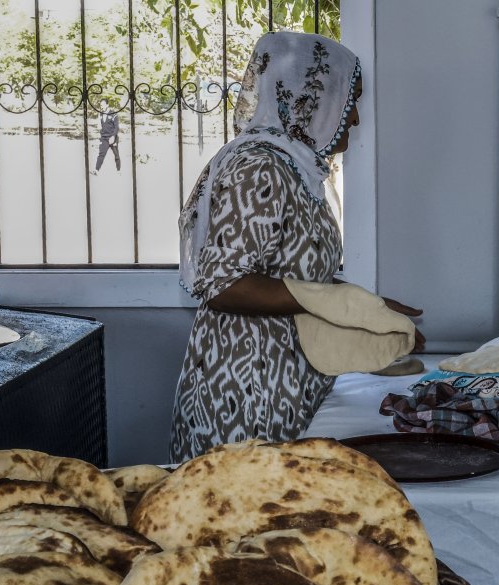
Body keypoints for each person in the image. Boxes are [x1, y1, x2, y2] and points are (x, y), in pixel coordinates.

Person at [172, 32, 423, 462]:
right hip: (248, 388)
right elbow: (222, 284)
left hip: (282, 374)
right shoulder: (257, 167)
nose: (355, 118)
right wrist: (345, 304)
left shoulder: (294, 169)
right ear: (309, 97)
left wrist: (368, 307)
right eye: (349, 100)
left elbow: (291, 272)